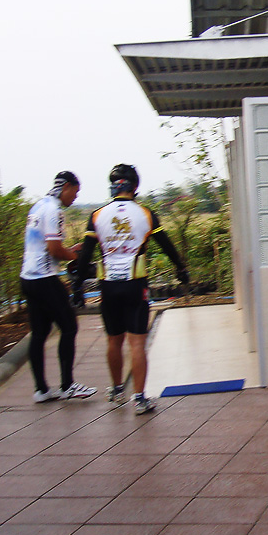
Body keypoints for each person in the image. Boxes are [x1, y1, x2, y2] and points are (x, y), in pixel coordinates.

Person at [73, 164, 188, 415]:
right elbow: (166, 245)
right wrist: (181, 268)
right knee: (137, 342)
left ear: (113, 186)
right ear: (135, 187)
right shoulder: (145, 214)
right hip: (136, 285)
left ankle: (116, 391)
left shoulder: (97, 215)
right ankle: (139, 399)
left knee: (114, 340)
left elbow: (86, 254)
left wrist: (77, 285)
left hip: (108, 286)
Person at [20, 171, 97, 403]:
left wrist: (68, 250)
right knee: (69, 326)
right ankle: (67, 386)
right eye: (76, 191)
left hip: (28, 277)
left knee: (39, 333)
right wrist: (75, 255)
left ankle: (41, 390)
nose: (76, 197)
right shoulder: (55, 211)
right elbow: (54, 250)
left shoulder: (38, 206)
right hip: (45, 278)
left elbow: (45, 246)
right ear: (66, 187)